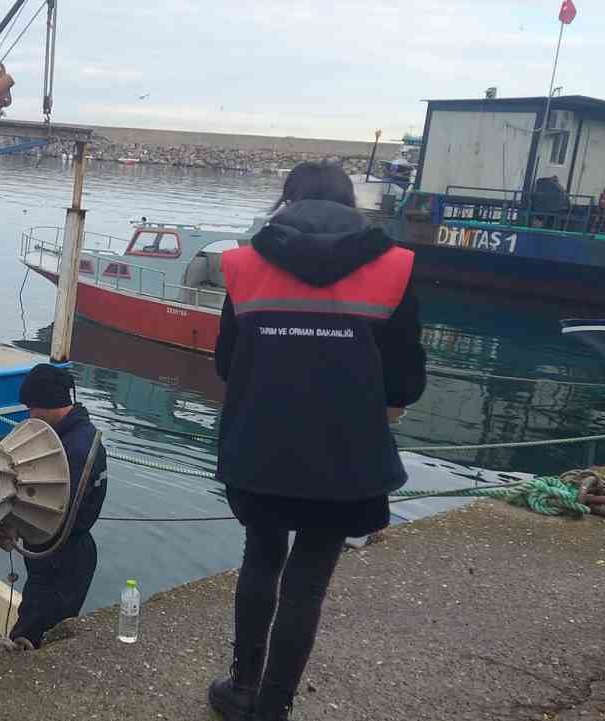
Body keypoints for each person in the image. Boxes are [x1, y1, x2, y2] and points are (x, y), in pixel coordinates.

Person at [208, 161, 425, 721]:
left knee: (261, 557)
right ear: (351, 205)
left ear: (287, 201)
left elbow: (227, 363)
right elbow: (406, 382)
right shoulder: (396, 267)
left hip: (259, 449)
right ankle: (273, 708)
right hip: (346, 460)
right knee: (307, 583)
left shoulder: (242, 264)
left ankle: (242, 686)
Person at [5, 364, 107, 650]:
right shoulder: (71, 436)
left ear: (48, 404)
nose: (30, 416)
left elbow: (54, 514)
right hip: (59, 555)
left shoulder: (74, 450)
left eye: (32, 408)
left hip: (62, 559)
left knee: (32, 636)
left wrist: (7, 524)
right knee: (37, 622)